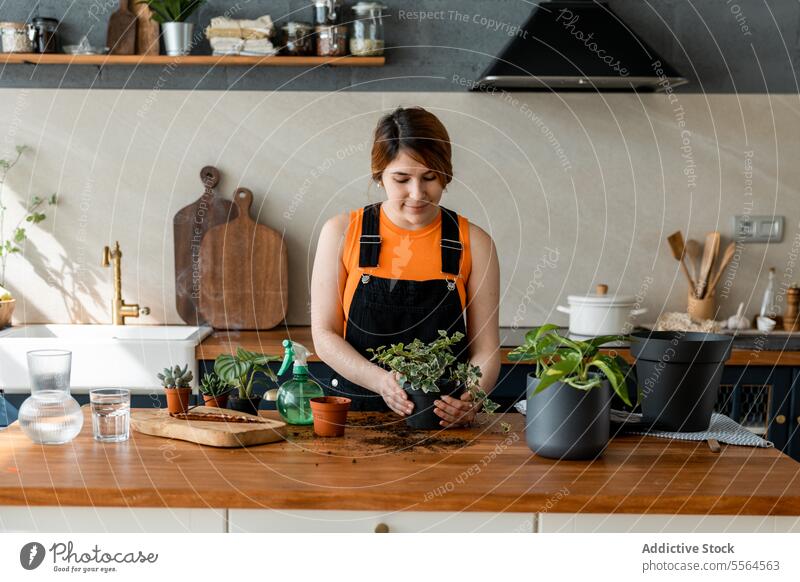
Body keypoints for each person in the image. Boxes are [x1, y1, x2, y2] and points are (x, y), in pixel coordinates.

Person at [311, 106, 500, 427]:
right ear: (379, 174)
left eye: (430, 178)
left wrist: (471, 399)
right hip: (357, 415)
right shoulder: (342, 232)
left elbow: (486, 350)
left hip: (440, 419)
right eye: (402, 179)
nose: (417, 193)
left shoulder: (476, 243)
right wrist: (381, 381)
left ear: (446, 174)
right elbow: (324, 334)